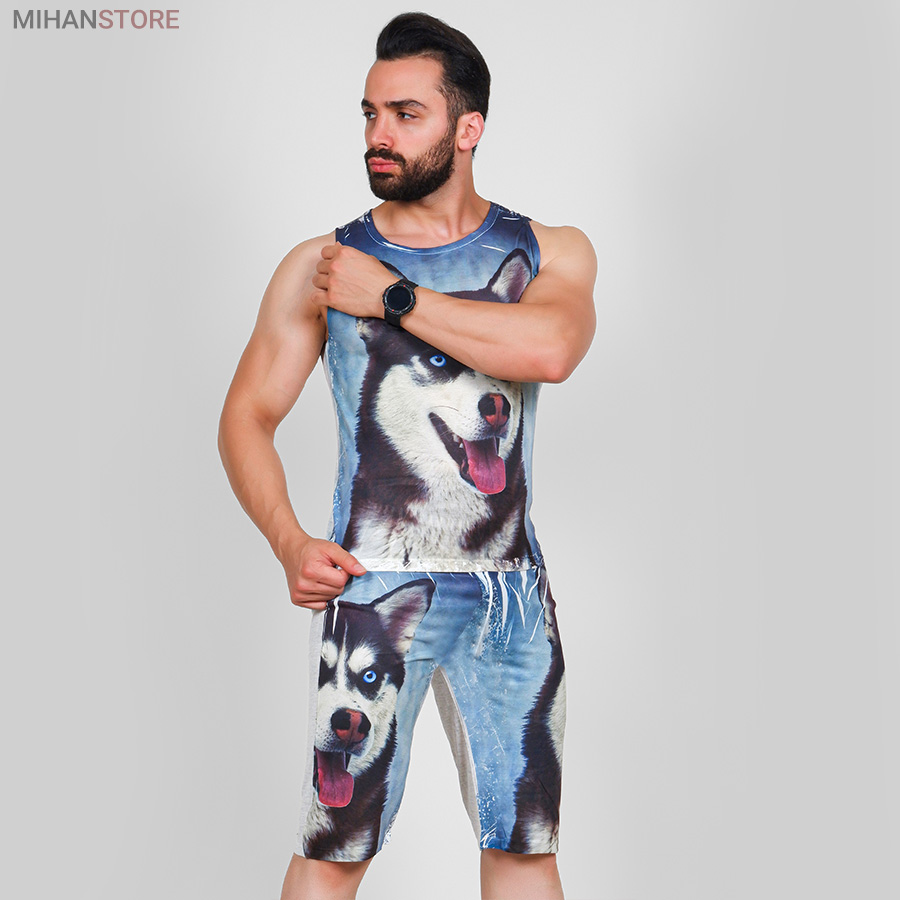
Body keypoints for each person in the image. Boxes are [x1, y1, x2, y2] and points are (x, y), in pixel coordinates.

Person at [218, 12, 596, 900]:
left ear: (468, 129)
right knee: (334, 847)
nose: (378, 135)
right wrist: (288, 540)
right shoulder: (322, 264)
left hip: (508, 589)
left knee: (524, 844)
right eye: (370, 113)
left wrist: (389, 297)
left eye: (406, 114)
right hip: (374, 583)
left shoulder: (547, 250)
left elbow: (550, 350)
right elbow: (246, 416)